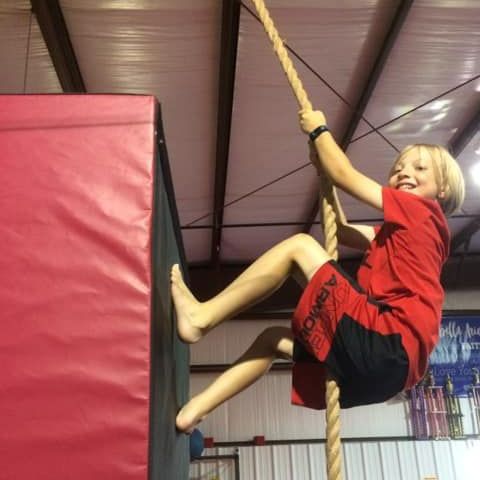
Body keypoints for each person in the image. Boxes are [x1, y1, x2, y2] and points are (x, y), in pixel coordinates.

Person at [172, 108, 465, 433]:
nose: (403, 172)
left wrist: (319, 130)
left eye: (419, 167)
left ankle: (202, 318)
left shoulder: (423, 212)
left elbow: (345, 174)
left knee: (299, 246)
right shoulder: (394, 237)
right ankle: (194, 411)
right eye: (398, 169)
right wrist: (322, 171)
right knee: (272, 340)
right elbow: (340, 230)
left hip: (386, 345)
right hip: (383, 375)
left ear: (443, 190)